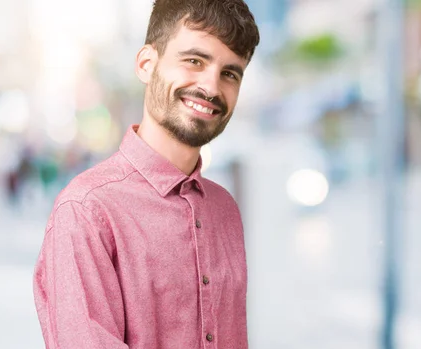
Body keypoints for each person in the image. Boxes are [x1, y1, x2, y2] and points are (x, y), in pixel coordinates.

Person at [32, 1, 260, 348]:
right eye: (194, 61)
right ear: (146, 63)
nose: (212, 88)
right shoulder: (87, 211)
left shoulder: (224, 209)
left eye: (230, 73)